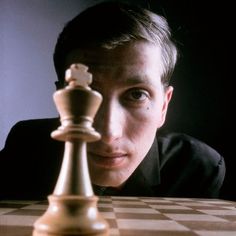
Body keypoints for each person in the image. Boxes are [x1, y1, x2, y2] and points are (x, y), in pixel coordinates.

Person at [0, 1, 225, 200]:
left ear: (163, 106)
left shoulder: (198, 168)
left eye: (137, 94)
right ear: (63, 102)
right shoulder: (26, 149)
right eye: (85, 93)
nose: (108, 133)